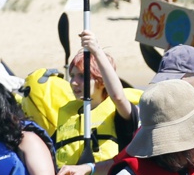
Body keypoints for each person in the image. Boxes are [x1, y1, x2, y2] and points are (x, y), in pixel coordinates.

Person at [55, 31, 139, 166]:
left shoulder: (120, 112)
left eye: (82, 76)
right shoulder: (68, 113)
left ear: (102, 80)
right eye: (72, 76)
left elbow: (118, 97)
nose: (73, 82)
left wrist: (97, 51)